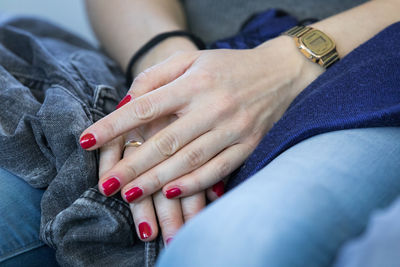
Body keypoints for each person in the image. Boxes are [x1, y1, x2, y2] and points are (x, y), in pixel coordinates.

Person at [0, 0, 399, 266]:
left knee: (229, 248)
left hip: (367, 73)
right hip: (163, 62)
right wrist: (171, 74)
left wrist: (290, 61)